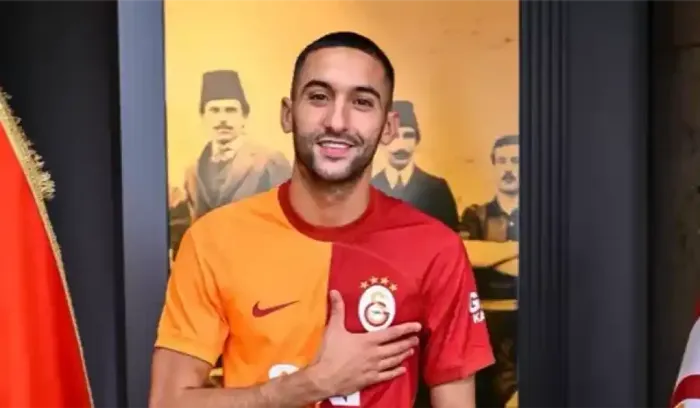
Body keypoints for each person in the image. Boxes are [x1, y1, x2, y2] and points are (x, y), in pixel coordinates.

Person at [149, 31, 493, 408]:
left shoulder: (435, 248)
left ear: (389, 127)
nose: (337, 121)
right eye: (318, 97)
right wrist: (310, 384)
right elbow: (167, 403)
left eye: (362, 102)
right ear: (287, 113)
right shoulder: (213, 240)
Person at [168, 70, 292, 258]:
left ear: (244, 117)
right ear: (203, 117)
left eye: (231, 110)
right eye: (214, 110)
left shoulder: (269, 162)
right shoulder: (192, 170)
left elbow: (288, 225)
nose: (222, 119)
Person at [459, 134, 519, 408]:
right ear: (494, 166)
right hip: (486, 324)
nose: (508, 168)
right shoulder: (475, 215)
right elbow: (466, 253)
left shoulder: (544, 212)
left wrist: (490, 256)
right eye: (502, 161)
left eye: (516, 161)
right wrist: (516, 248)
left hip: (531, 323)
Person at [371, 100, 460, 231]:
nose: (401, 145)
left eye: (408, 136)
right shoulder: (368, 191)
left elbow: (450, 238)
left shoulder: (437, 190)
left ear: (416, 141)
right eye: (394, 136)